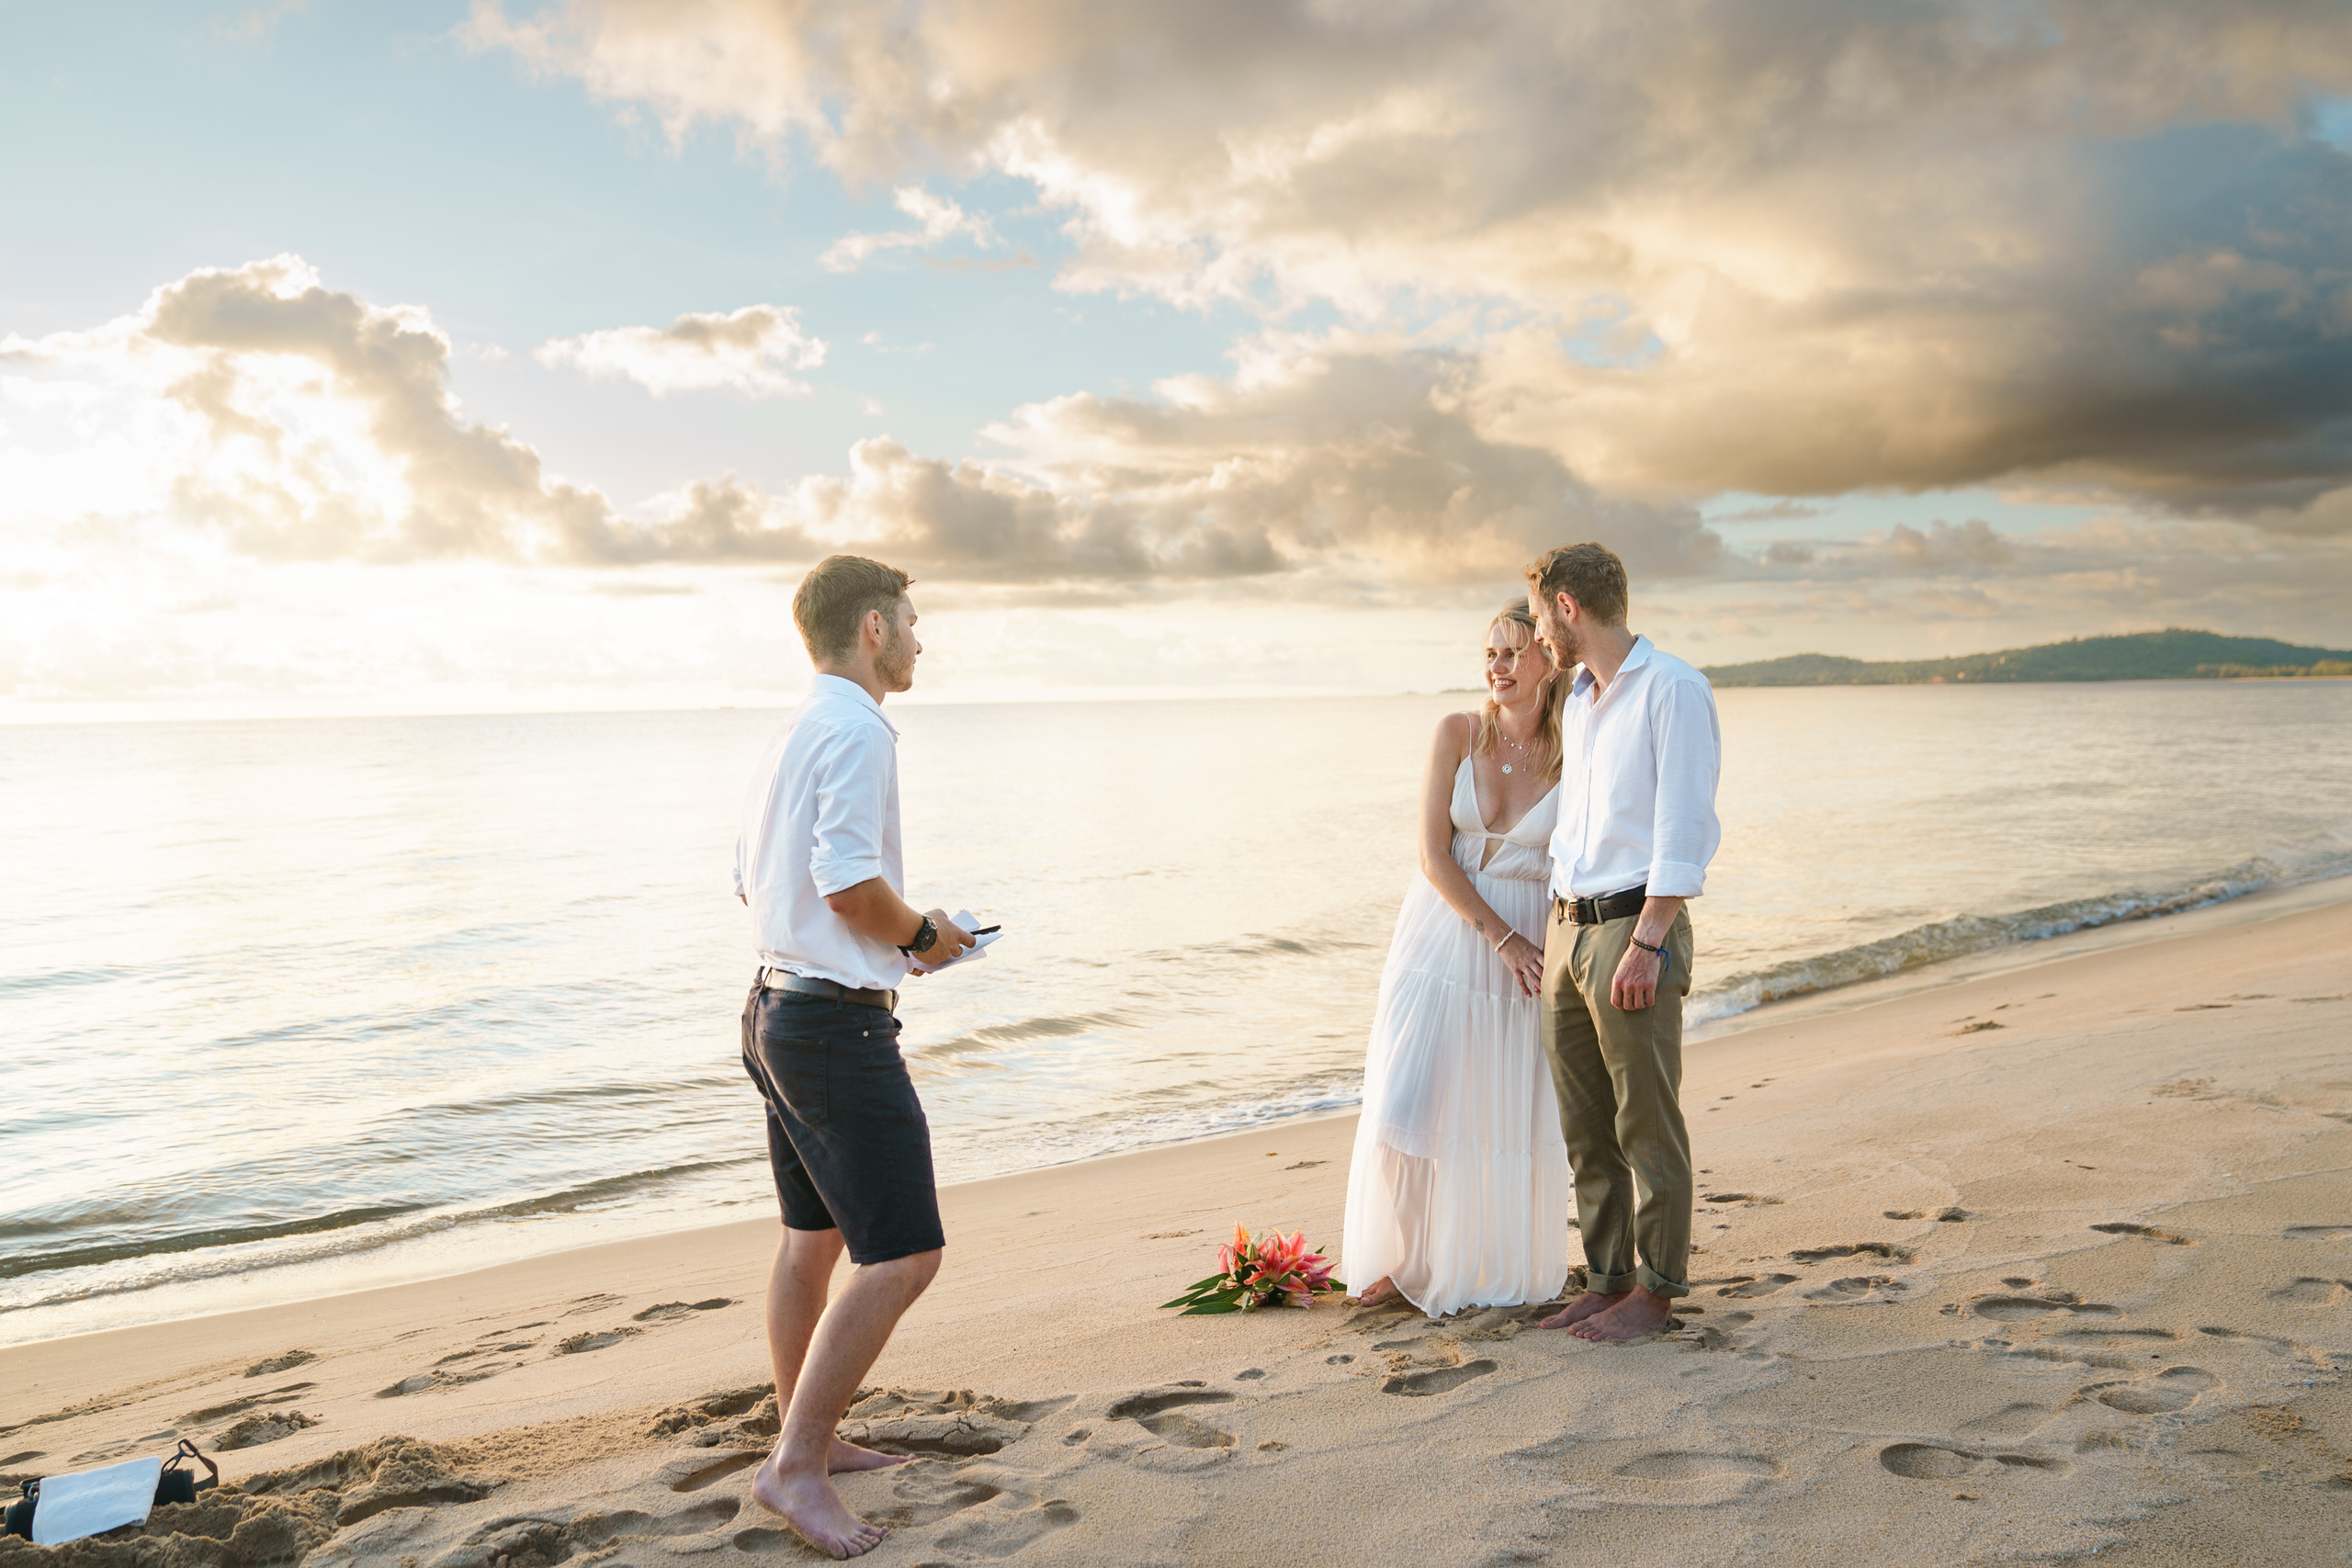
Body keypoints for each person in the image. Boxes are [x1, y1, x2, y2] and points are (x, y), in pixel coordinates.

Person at [732, 554, 977, 1560]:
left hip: (773, 1009)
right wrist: (924, 939)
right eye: (912, 622)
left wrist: (892, 942)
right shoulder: (859, 726)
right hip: (831, 1028)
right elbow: (844, 882)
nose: (921, 639)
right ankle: (793, 1466)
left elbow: (758, 883)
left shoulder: (794, 728)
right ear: (873, 627)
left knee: (812, 1242)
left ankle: (812, 1439)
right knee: (904, 1254)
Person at [1340, 604, 1574, 1317]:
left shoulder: (1576, 748)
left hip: (1532, 948)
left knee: (1502, 1111)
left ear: (1547, 660)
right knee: (1408, 1099)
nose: (1497, 666)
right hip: (1445, 937)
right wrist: (1500, 937)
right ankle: (1407, 1262)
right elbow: (1433, 855)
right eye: (1490, 653)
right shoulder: (1457, 733)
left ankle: (1483, 1261)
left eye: (1512, 652)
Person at [1524, 542, 1722, 1343]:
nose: (1537, 632)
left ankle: (1658, 1289)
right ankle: (1606, 1277)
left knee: (1646, 1119)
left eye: (1539, 615)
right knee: (1586, 1124)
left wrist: (1648, 941)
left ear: (1568, 606)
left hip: (1633, 930)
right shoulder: (1579, 697)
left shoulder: (1673, 688)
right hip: (1568, 929)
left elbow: (1684, 826)